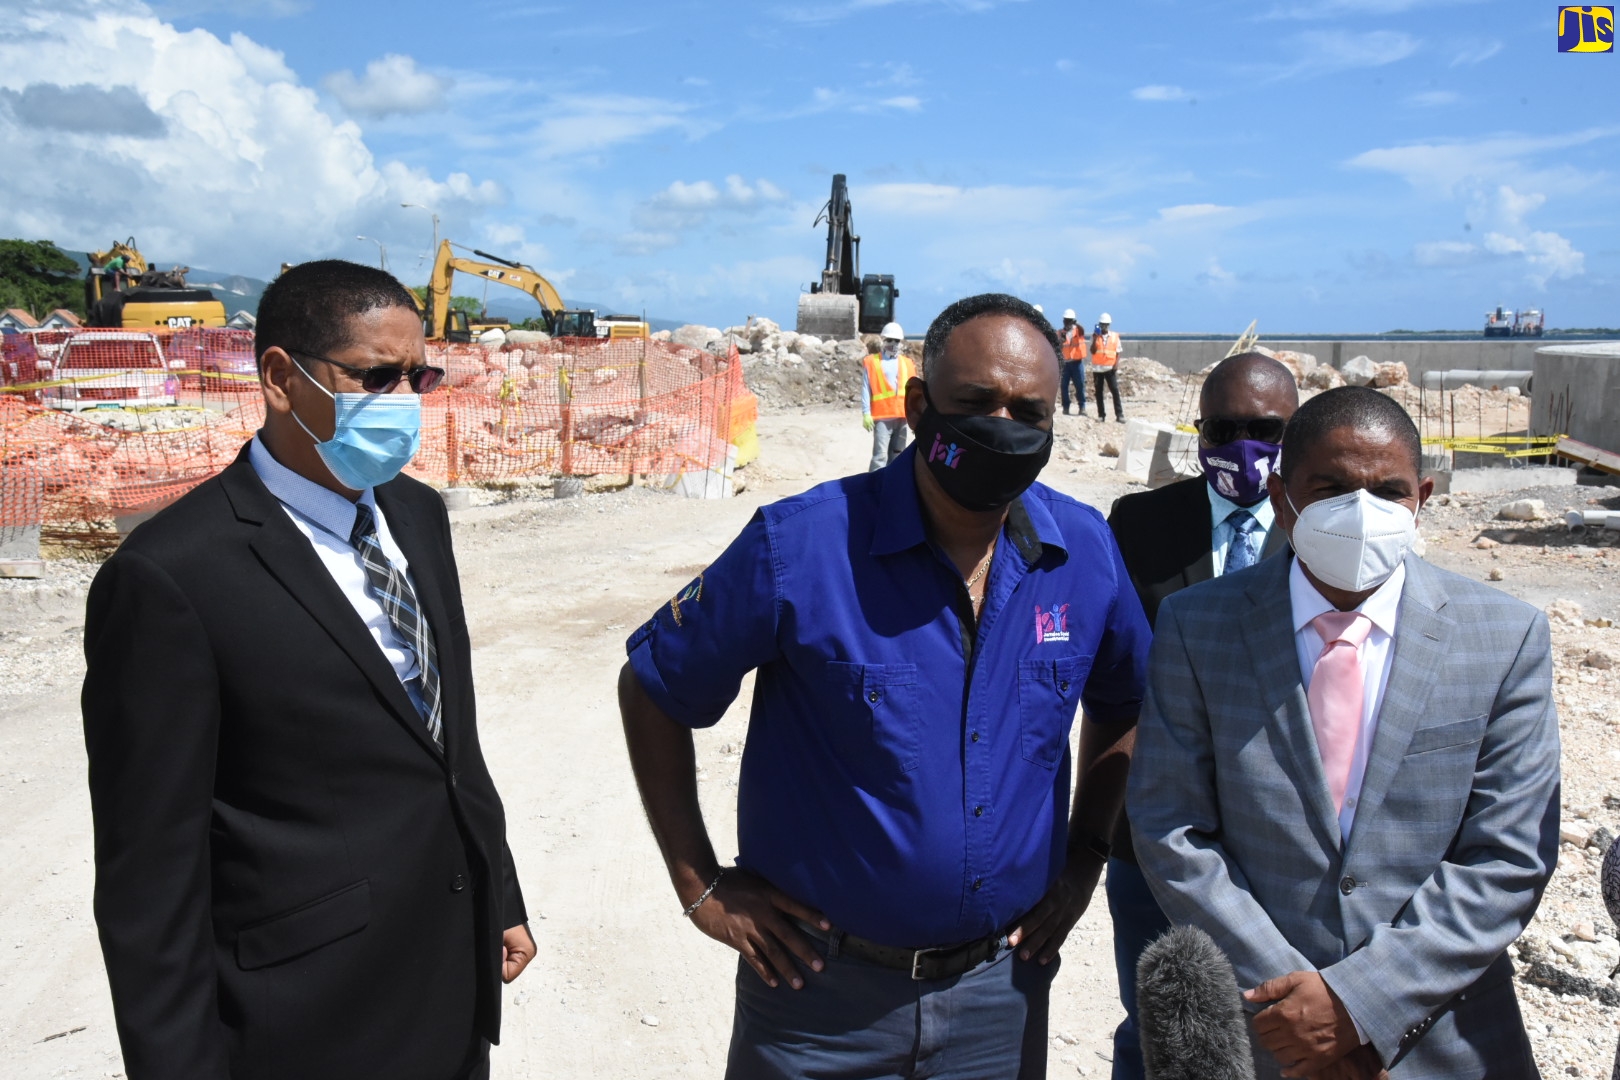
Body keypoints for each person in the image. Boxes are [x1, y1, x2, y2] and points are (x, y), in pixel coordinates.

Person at [619, 292, 1151, 1080]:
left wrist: (1085, 859)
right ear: (918, 405)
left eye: (1028, 411)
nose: (1002, 425)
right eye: (975, 403)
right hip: (816, 1000)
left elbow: (1125, 699)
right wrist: (700, 886)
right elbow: (655, 685)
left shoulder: (1085, 552)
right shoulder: (801, 546)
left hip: (998, 1000)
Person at [81, 260, 534, 1080]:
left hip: (446, 985)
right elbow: (150, 878)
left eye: (417, 377)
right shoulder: (173, 575)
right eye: (374, 377)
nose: (402, 402)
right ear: (283, 379)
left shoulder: (417, 515)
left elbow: (446, 737)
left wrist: (497, 889)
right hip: (306, 1022)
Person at [1129, 386, 1560, 1079]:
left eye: (1387, 491)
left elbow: (1508, 856)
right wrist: (1298, 1011)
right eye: (1328, 488)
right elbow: (1170, 826)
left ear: (1422, 497)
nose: (1360, 512)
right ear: (1280, 496)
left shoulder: (1504, 637)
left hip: (1446, 1041)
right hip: (1266, 1036)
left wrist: (1359, 1006)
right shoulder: (1197, 625)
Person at [1103, 352, 1299, 1080]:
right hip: (1156, 836)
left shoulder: (1326, 528)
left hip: (1283, 839)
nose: (1243, 445)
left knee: (1278, 1027)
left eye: (1265, 428)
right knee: (1156, 1026)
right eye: (1222, 427)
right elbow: (1112, 675)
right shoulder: (1140, 525)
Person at [862, 321, 915, 471]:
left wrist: (915, 416)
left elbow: (914, 392)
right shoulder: (873, 362)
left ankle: (893, 486)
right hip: (882, 417)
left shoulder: (907, 363)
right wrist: (866, 413)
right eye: (889, 340)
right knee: (880, 457)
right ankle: (874, 486)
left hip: (902, 416)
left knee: (898, 455)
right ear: (883, 340)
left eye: (896, 340)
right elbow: (866, 388)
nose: (893, 344)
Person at [1090, 313, 1123, 422]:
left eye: (1105, 325)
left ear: (1108, 325)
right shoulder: (1095, 336)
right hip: (1097, 369)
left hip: (1110, 368)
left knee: (1115, 391)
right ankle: (1101, 415)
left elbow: (1118, 352)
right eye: (1102, 325)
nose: (1104, 327)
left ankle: (1119, 414)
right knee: (1099, 393)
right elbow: (1093, 350)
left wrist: (1116, 365)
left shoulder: (1114, 336)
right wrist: (1095, 338)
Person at [1059, 308, 1088, 416]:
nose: (1067, 323)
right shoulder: (1060, 333)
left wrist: (1077, 323)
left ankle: (1082, 407)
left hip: (1077, 363)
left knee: (1079, 385)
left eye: (1069, 320)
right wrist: (1060, 341)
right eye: (1066, 320)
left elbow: (1083, 330)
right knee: (1064, 386)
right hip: (1065, 364)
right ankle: (1066, 407)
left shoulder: (1078, 331)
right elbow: (1058, 346)